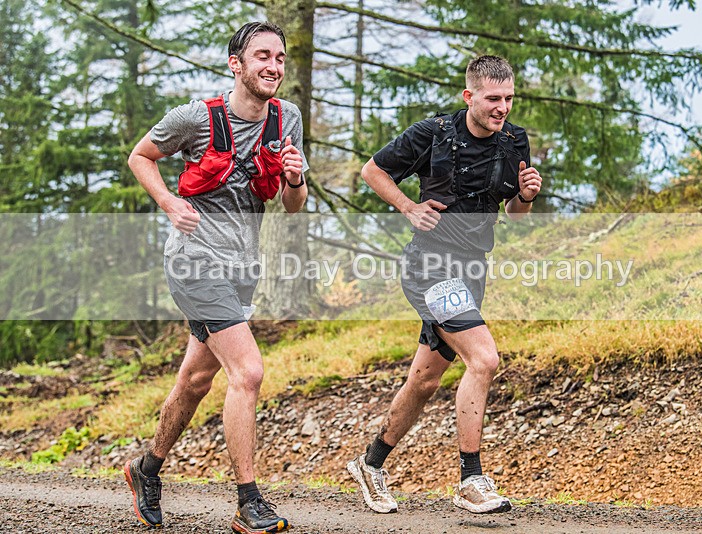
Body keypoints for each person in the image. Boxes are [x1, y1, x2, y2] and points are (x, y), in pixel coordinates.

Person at [124, 21, 307, 533]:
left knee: (197, 378)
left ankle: (147, 468)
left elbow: (294, 207)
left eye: (280, 57)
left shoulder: (286, 117)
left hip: (241, 269)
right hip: (193, 260)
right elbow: (141, 156)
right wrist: (168, 202)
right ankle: (249, 501)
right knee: (246, 372)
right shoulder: (196, 119)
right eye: (262, 56)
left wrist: (294, 177)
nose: (273, 66)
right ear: (237, 65)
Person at [347, 55, 541, 515]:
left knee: (426, 378)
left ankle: (370, 464)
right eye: (494, 99)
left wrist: (527, 196)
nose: (503, 108)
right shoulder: (432, 133)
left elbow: (516, 214)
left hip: (474, 269)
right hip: (430, 266)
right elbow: (372, 171)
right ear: (469, 96)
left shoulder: (515, 140)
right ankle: (471, 479)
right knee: (484, 358)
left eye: (509, 98)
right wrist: (407, 207)